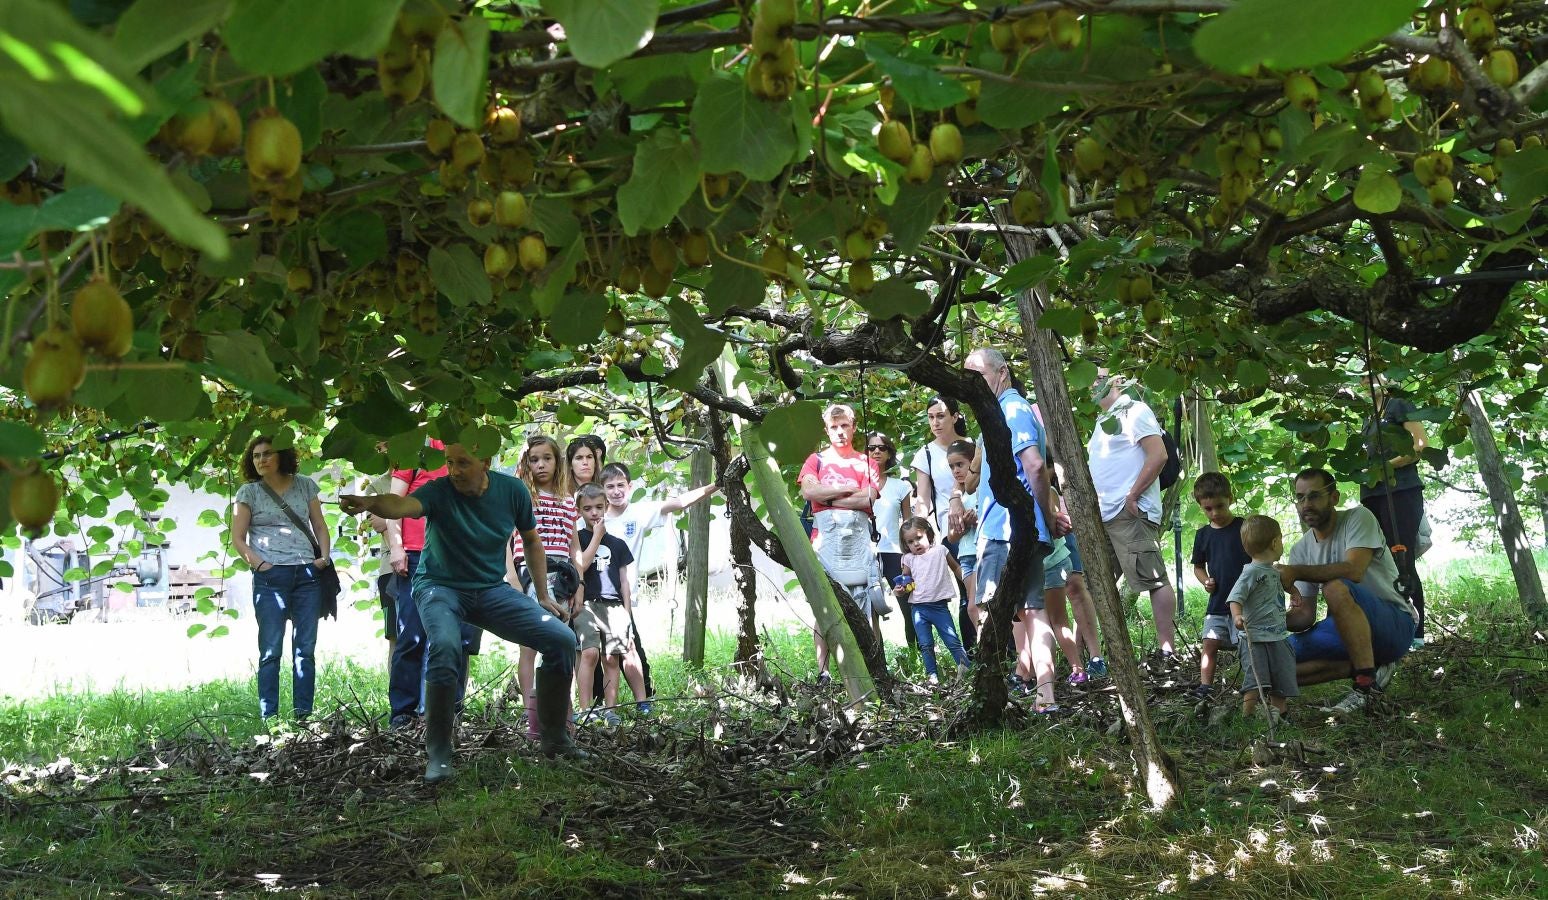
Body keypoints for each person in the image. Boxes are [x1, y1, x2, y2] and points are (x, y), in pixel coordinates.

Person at [339, 444, 583, 782]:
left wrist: (542, 595)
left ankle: (555, 740)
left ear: (484, 462)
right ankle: (438, 753)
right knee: (446, 645)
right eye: (450, 462)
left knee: (561, 639)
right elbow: (402, 504)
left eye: (462, 463)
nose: (453, 470)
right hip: (439, 587)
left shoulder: (511, 491)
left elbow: (531, 541)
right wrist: (370, 502)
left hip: (488, 589)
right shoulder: (439, 491)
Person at [957, 348, 1066, 711]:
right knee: (1031, 610)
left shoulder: (1012, 409)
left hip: (1005, 529)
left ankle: (994, 697)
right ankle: (1042, 694)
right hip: (1019, 528)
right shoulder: (999, 412)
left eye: (980, 375)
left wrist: (1045, 516)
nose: (974, 385)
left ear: (1002, 372)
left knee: (990, 611)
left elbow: (1035, 466)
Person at [1279, 468, 1417, 713]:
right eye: (1300, 498)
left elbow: (1354, 570)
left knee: (1336, 587)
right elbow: (1304, 616)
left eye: (1314, 496)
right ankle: (1368, 668)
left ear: (1334, 498)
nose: (1306, 504)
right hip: (1344, 630)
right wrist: (1264, 622)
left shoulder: (1358, 518)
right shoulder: (1301, 549)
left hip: (1394, 623)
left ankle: (1366, 687)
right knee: (1273, 658)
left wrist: (1296, 571)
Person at [599, 460, 719, 713]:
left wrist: (716, 485)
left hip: (625, 594)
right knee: (602, 655)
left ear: (630, 486)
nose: (616, 491)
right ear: (602, 489)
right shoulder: (593, 517)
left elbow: (679, 503)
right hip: (595, 596)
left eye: (621, 485)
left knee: (629, 649)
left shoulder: (639, 512)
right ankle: (601, 707)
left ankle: (643, 702)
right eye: (610, 486)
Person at [230, 436, 332, 721]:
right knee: (271, 650)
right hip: (270, 577)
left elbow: (320, 526)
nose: (260, 460)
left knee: (305, 651)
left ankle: (304, 718)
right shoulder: (247, 493)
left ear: (282, 456)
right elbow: (238, 538)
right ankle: (270, 720)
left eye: (266, 454)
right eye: (256, 456)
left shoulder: (305, 486)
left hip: (307, 574)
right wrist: (261, 565)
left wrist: (322, 558)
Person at [386, 440, 482, 728]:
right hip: (417, 555)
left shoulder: (470, 451)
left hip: (460, 558)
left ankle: (447, 712)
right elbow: (393, 504)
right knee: (412, 635)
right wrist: (396, 547)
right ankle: (403, 712)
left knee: (457, 638)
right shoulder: (415, 451)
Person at [1087, 371, 1178, 656]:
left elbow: (1159, 455)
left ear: (1117, 380)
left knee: (1153, 578)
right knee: (1096, 583)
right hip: (1107, 516)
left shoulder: (1134, 410)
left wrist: (1133, 494)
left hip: (1130, 512)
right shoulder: (1105, 420)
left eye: (1098, 377)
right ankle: (1098, 656)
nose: (1091, 383)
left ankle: (1167, 651)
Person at [511, 434, 588, 739]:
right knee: (531, 644)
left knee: (562, 643)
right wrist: (514, 579)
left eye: (547, 458)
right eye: (534, 459)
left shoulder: (569, 500)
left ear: (558, 462)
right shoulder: (522, 496)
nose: (541, 464)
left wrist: (579, 584)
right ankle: (535, 722)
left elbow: (574, 547)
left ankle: (560, 716)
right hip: (531, 571)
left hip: (564, 575)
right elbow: (510, 539)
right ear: (526, 463)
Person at [798, 403, 881, 683]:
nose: (840, 432)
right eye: (834, 427)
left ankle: (867, 670)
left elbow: (867, 498)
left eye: (845, 425)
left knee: (861, 603)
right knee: (824, 604)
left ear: (854, 426)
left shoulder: (866, 462)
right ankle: (823, 672)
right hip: (825, 539)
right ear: (826, 429)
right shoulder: (816, 459)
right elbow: (808, 490)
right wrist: (847, 489)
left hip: (857, 540)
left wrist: (826, 496)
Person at [1360, 375, 1429, 649]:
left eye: (1371, 375)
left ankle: (1417, 633)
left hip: (1400, 491)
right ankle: (1392, 629)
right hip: (1372, 495)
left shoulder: (1398, 405)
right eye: (1362, 377)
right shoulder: (1366, 417)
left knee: (1402, 559)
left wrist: (1387, 467)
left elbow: (1420, 445)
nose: (1366, 381)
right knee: (1379, 562)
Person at [572, 484, 635, 726]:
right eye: (587, 508)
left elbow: (624, 581)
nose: (594, 513)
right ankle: (585, 709)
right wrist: (597, 537)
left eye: (599, 507)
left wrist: (627, 613)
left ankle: (611, 709)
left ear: (607, 507)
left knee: (612, 657)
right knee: (588, 653)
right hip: (586, 603)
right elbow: (581, 566)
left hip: (614, 606)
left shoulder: (618, 544)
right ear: (579, 511)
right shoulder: (576, 538)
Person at [1230, 515, 1297, 723]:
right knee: (1255, 678)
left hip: (1277, 636)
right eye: (1281, 539)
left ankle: (1280, 713)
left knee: (1282, 674)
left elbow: (1280, 586)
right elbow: (1235, 597)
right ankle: (1247, 715)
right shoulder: (1250, 572)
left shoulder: (1274, 570)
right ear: (1275, 543)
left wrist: (1293, 591)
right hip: (1255, 637)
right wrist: (1237, 616)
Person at [1189, 472, 1251, 699]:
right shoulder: (1203, 535)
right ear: (1200, 506)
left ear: (1230, 499)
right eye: (1208, 509)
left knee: (1247, 648)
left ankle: (1251, 686)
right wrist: (1205, 580)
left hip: (1244, 603)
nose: (1214, 513)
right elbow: (1198, 566)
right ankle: (1205, 687)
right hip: (1217, 602)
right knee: (1209, 644)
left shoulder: (1245, 527)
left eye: (1219, 506)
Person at [894, 517, 970, 684]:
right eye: (910, 541)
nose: (915, 544)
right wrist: (899, 590)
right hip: (918, 609)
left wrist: (969, 582)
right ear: (906, 545)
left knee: (952, 640)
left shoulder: (940, 550)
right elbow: (905, 581)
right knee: (925, 644)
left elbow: (956, 568)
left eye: (919, 538)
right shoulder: (909, 559)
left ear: (928, 535)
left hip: (939, 608)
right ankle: (932, 676)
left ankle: (966, 670)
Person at [868, 432, 914, 649]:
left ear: (889, 453)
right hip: (866, 552)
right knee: (869, 607)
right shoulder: (859, 484)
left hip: (895, 553)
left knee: (909, 604)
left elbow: (908, 524)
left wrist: (910, 556)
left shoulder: (901, 486)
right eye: (871, 448)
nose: (876, 451)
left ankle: (916, 651)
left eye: (882, 447)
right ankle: (876, 658)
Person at [911, 396, 968, 536]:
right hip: (950, 529)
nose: (935, 423)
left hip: (979, 520)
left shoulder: (973, 446)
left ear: (955, 417)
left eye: (940, 416)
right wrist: (916, 534)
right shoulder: (925, 454)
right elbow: (922, 501)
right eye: (931, 417)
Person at [944, 440, 980, 651]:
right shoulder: (956, 497)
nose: (956, 470)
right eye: (951, 466)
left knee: (978, 605)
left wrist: (978, 518)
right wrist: (963, 526)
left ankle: (1001, 651)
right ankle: (989, 648)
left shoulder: (981, 489)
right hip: (966, 555)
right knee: (972, 607)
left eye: (960, 464)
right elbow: (951, 538)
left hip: (982, 551)